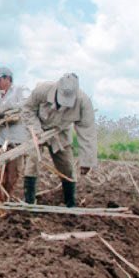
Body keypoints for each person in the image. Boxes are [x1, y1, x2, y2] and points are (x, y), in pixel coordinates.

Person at [21, 72, 97, 207]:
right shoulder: (42, 90)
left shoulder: (83, 102)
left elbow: (87, 131)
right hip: (37, 128)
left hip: (60, 131)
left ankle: (70, 204)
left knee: (67, 167)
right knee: (32, 160)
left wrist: (87, 160)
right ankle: (29, 202)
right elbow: (27, 109)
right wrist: (36, 131)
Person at [0, 67, 28, 203]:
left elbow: (25, 105)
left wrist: (5, 110)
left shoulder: (20, 91)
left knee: (12, 177)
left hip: (16, 141)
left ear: (8, 79)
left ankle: (4, 201)